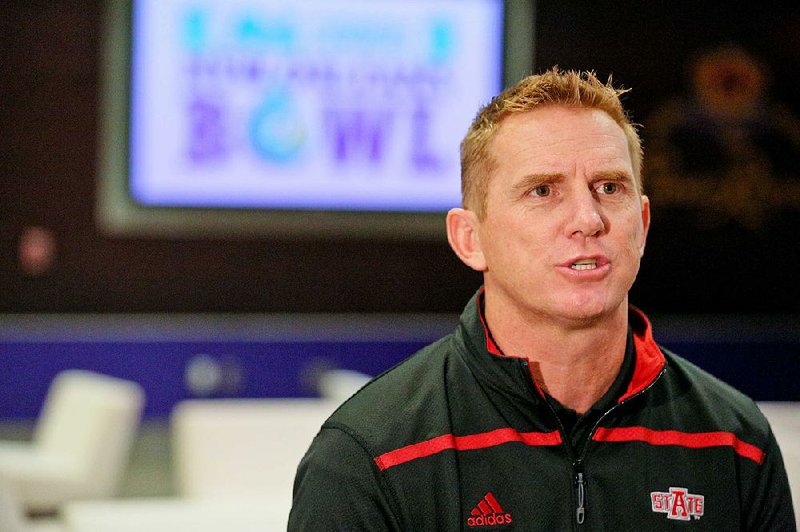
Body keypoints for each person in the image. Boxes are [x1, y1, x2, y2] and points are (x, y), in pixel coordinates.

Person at [288, 68, 796, 530]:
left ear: (641, 225)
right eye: (543, 191)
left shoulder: (733, 442)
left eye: (608, 186)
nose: (588, 219)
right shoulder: (370, 455)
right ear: (470, 239)